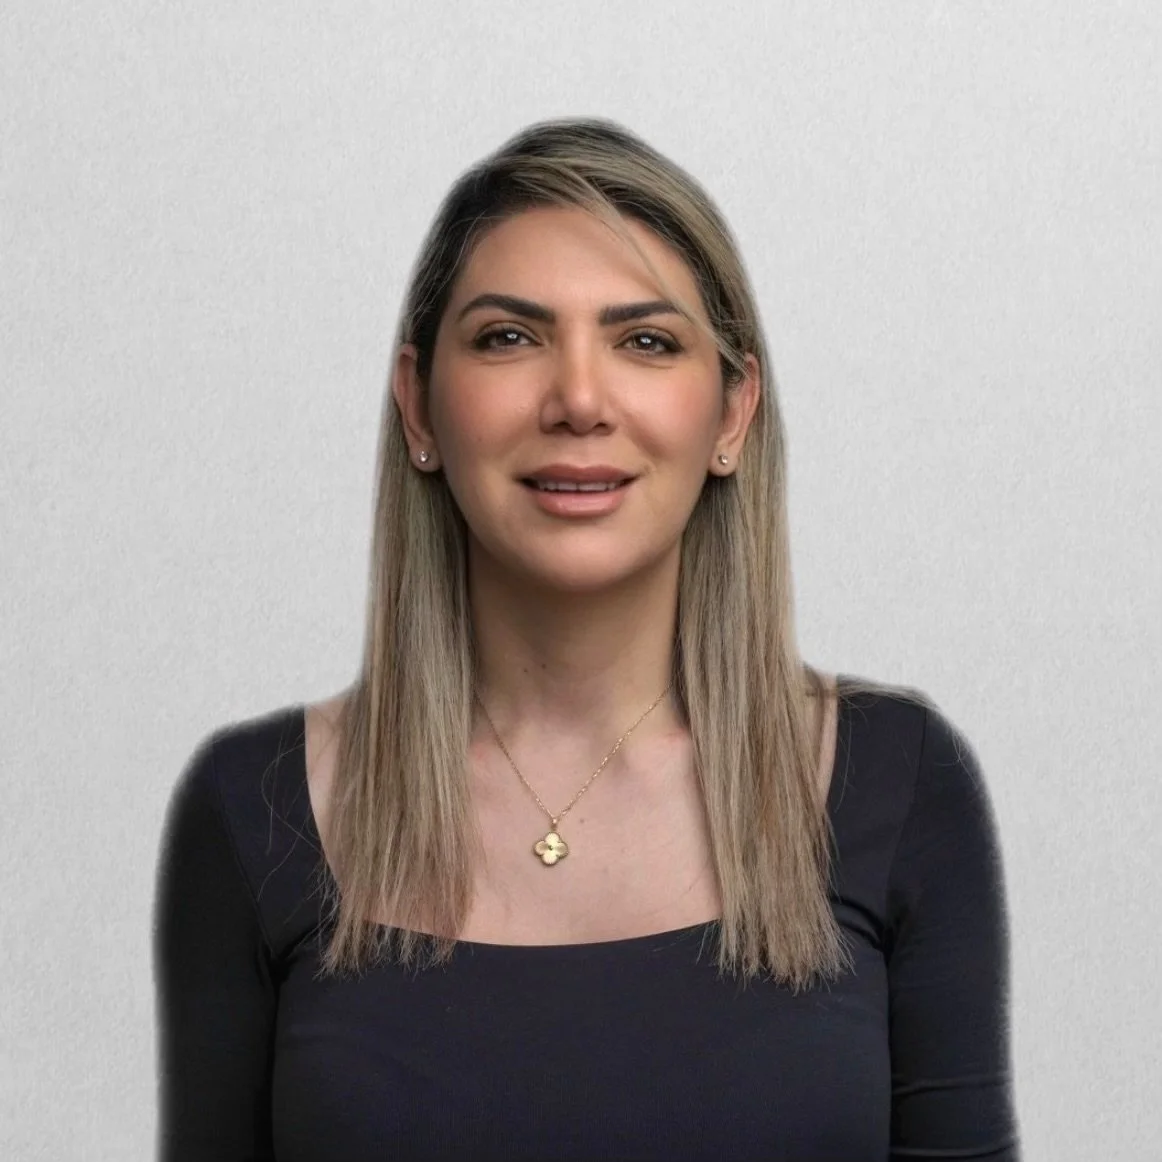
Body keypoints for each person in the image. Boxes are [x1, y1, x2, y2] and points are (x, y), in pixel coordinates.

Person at [152, 117, 1020, 1160]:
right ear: (419, 409)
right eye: (508, 337)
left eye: (645, 341)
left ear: (732, 414)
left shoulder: (896, 785)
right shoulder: (257, 810)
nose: (577, 399)